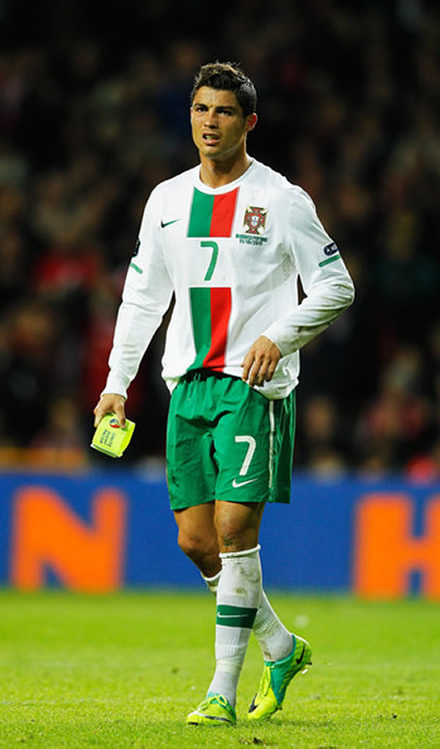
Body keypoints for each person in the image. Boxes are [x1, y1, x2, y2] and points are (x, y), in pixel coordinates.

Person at [94, 62, 355, 726]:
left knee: (236, 530)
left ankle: (221, 690)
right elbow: (143, 298)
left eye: (224, 112)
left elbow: (336, 284)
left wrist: (281, 334)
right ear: (190, 116)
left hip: (251, 385)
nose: (210, 121)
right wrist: (115, 384)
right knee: (196, 539)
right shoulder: (166, 201)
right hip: (189, 384)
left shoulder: (282, 199)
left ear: (249, 123)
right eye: (200, 109)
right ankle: (281, 645)